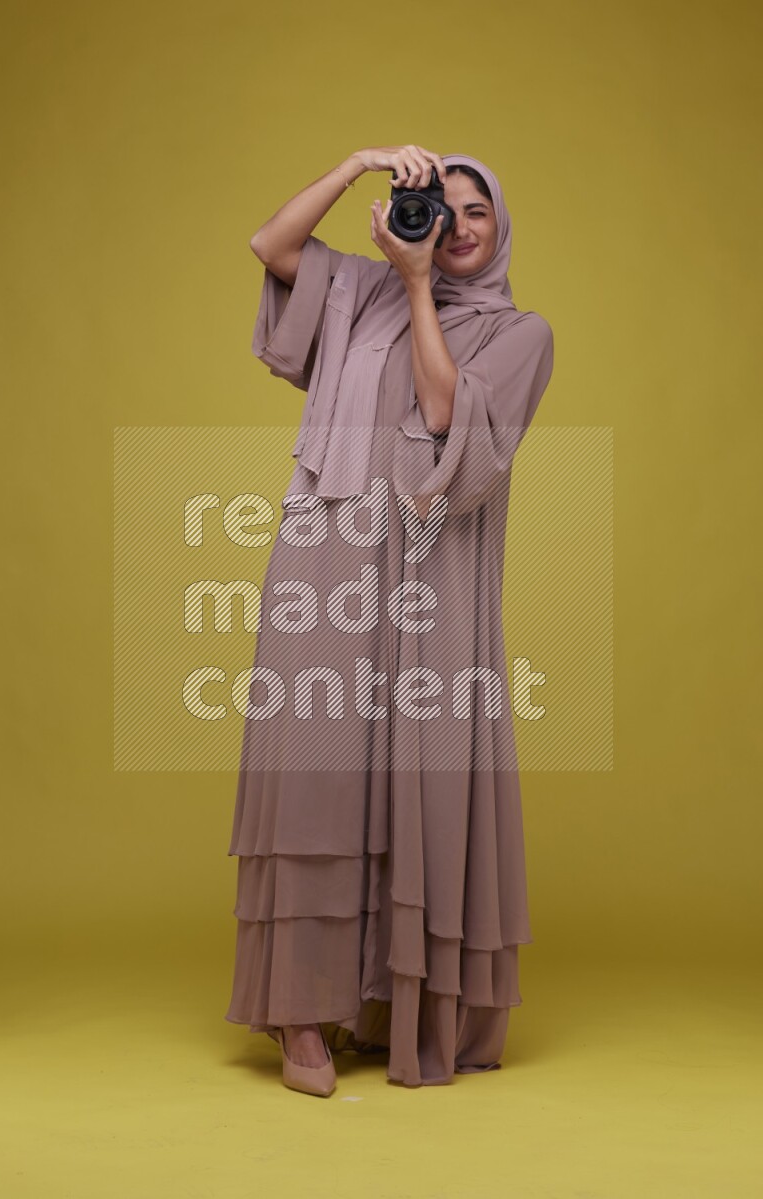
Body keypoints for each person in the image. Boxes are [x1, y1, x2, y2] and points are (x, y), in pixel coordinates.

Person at [224, 145, 554, 1096]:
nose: (455, 225)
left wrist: (416, 287)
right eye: (437, 208)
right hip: (327, 552)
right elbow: (270, 243)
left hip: (433, 570)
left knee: (417, 773)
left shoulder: (521, 332)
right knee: (316, 774)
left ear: (497, 231)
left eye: (474, 211)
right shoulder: (357, 289)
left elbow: (450, 413)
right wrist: (358, 164)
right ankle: (299, 1014)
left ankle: (387, 1004)